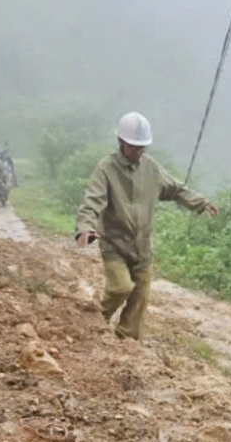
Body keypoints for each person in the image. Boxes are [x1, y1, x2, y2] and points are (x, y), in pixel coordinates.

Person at [75, 112, 217, 340]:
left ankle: (127, 341)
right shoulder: (106, 168)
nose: (138, 151)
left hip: (142, 247)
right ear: (121, 142)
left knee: (140, 297)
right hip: (115, 245)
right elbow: (93, 201)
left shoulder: (151, 167)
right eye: (133, 146)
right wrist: (85, 226)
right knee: (121, 287)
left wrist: (201, 203)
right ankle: (93, 322)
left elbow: (175, 188)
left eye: (142, 147)